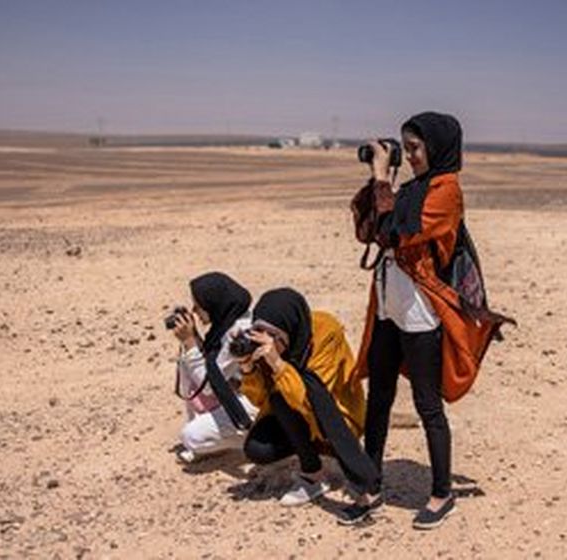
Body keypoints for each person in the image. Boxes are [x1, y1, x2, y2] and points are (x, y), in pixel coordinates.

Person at [348, 112, 510, 529]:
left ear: (437, 148)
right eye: (408, 147)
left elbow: (402, 233)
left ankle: (441, 493)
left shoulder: (446, 190)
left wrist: (385, 182)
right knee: (379, 397)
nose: (413, 155)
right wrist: (378, 179)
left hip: (420, 311)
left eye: (417, 147)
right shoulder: (411, 187)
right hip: (387, 306)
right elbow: (369, 229)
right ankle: (371, 485)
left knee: (426, 404)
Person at [236, 288, 379, 508]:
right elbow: (259, 400)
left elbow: (315, 400)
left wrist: (278, 364)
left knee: (281, 399)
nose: (266, 342)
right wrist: (248, 369)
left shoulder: (325, 333)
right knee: (257, 449)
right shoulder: (266, 348)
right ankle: (309, 453)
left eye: (273, 336)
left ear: (287, 332)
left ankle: (312, 474)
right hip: (294, 413)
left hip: (332, 417)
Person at [171, 272, 258, 463]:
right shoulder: (228, 322)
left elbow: (209, 385)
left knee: (191, 436)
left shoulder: (238, 333)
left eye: (199, 307)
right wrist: (193, 339)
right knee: (188, 363)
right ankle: (213, 432)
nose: (194, 311)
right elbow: (213, 367)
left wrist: (190, 343)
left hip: (256, 403)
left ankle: (255, 440)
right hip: (240, 391)